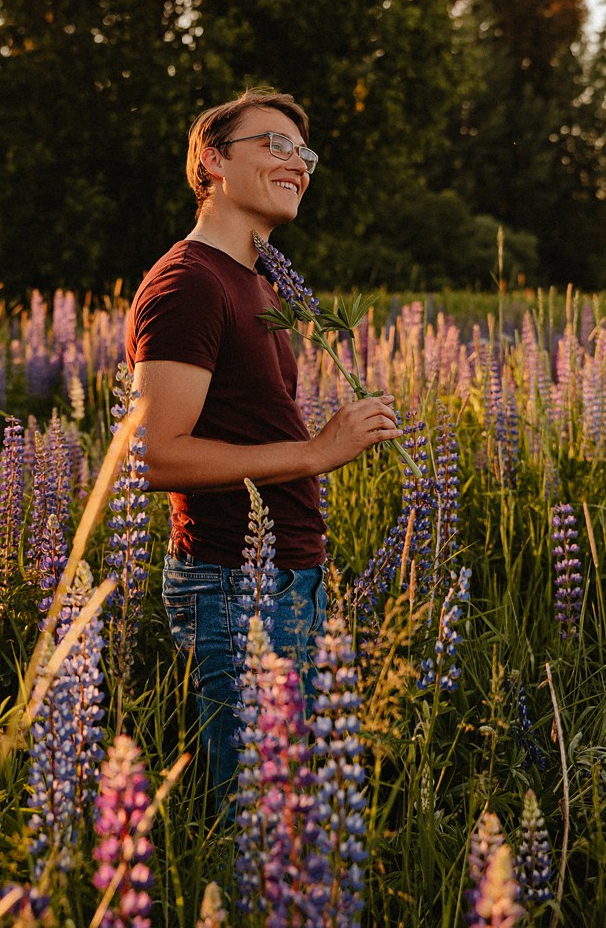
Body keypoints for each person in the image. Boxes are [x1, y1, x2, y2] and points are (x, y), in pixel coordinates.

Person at [124, 87, 402, 805]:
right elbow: (153, 456)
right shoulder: (188, 283)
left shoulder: (255, 283)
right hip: (230, 586)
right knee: (253, 817)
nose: (298, 163)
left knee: (291, 816)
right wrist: (315, 451)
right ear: (213, 161)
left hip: (286, 577)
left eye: (304, 153)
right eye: (274, 144)